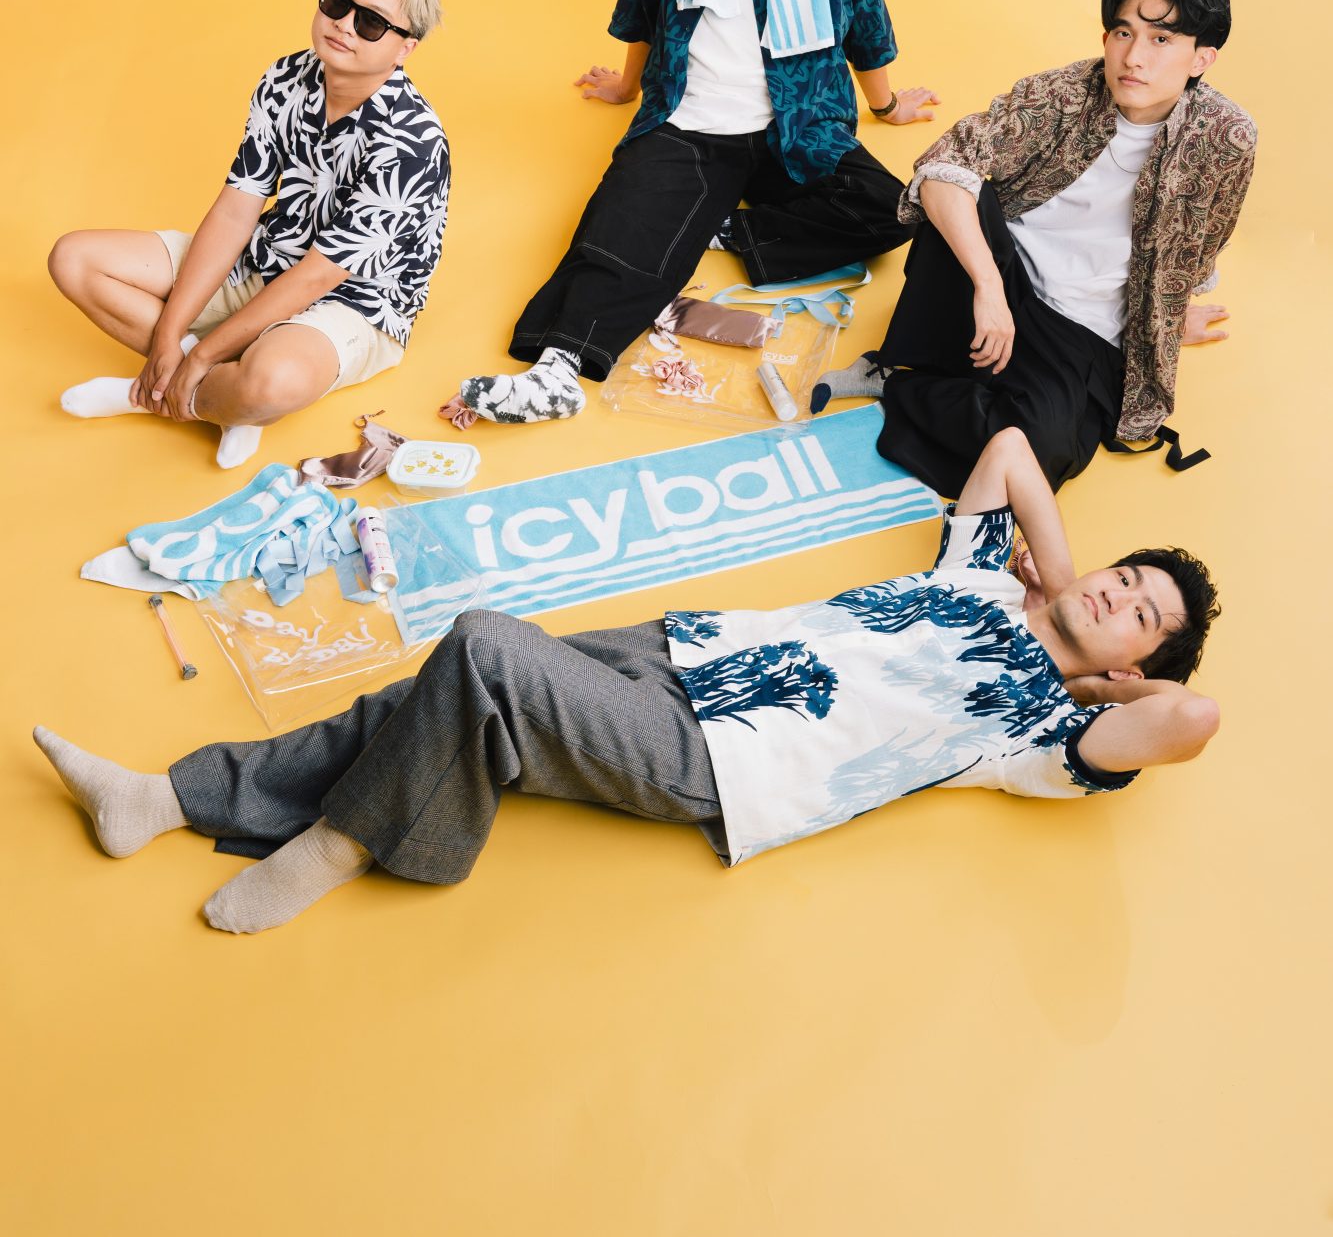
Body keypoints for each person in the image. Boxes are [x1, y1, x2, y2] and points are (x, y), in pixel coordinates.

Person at [33, 426, 1221, 935]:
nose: (1117, 594)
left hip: (724, 756)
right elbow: (1009, 453)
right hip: (686, 648)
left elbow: (1192, 714)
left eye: (1141, 614)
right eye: (1125, 575)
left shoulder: (1034, 731)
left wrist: (1102, 687)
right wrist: (1060, 573)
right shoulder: (979, 575)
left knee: (482, 647)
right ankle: (165, 798)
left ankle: (351, 842)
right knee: (428, 700)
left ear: (1134, 661)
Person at [441, 0, 938, 427]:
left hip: (797, 122)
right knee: (617, 224)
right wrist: (626, 86)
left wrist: (885, 106)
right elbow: (642, 2)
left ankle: (720, 227)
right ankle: (555, 374)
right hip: (691, 117)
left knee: (893, 212)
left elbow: (865, 18)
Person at [814, 0, 1257, 495]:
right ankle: (920, 356)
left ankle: (900, 387)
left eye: (1161, 39)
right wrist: (988, 286)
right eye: (1123, 33)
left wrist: (1165, 318)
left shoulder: (1226, 138)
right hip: (1004, 272)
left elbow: (1205, 236)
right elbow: (944, 165)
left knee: (1038, 453)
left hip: (1084, 320)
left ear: (1201, 58)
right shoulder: (1065, 92)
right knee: (959, 192)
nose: (1133, 57)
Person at [49, 0, 448, 469]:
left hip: (356, 303)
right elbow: (237, 208)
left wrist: (204, 353)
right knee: (74, 259)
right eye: (337, 2)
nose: (344, 25)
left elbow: (318, 276)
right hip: (267, 260)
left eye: (371, 22)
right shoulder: (287, 77)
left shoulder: (413, 142)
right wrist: (169, 335)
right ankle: (220, 398)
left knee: (272, 381)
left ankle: (158, 394)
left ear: (404, 48)